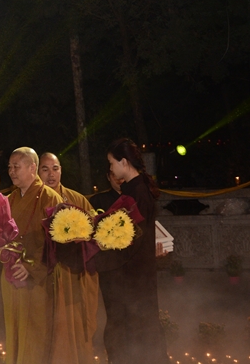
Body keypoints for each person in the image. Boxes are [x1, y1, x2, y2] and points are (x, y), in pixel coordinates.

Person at [99, 138, 168, 364]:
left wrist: (100, 248)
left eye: (112, 162)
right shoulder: (135, 189)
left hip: (132, 279)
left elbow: (130, 240)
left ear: (124, 162)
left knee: (135, 335)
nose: (111, 168)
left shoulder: (136, 193)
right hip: (135, 277)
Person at [3, 147, 63, 364]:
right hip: (11, 276)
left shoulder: (50, 198)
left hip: (37, 279)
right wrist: (0, 250)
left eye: (16, 166)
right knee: (14, 334)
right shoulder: (8, 200)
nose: (11, 171)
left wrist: (30, 266)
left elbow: (55, 242)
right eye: (9, 167)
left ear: (32, 168)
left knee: (36, 335)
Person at [38, 152, 98, 364]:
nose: (51, 174)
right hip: (44, 275)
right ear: (37, 172)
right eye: (45, 169)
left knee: (75, 323)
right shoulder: (34, 201)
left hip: (74, 276)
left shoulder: (77, 199)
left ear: (61, 170)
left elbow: (95, 232)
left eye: (55, 168)